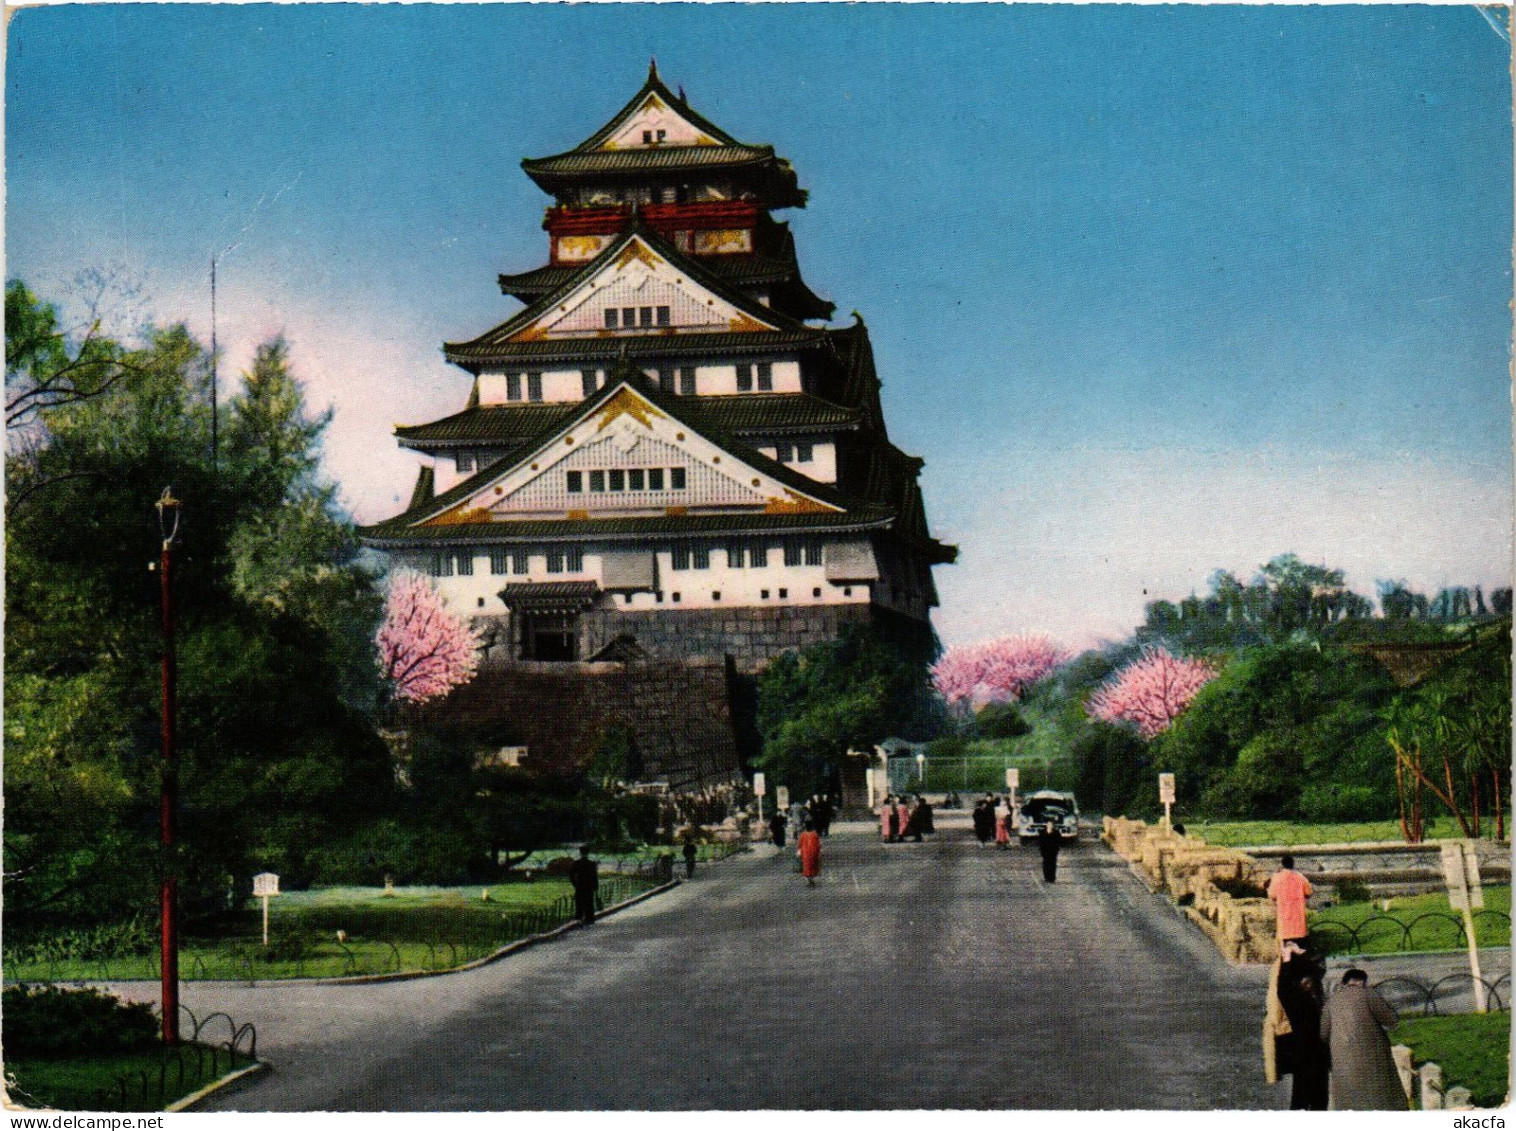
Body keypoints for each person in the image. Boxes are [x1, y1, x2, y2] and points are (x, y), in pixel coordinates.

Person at [1320, 969, 1406, 1110]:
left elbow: (1323, 1033)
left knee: (1349, 1101)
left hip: (1342, 1060)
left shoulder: (1331, 1001)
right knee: (1381, 1098)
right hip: (1372, 1056)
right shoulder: (1368, 994)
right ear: (1361, 981)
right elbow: (1392, 1020)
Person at [1266, 943, 1329, 1110]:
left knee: (1304, 1096)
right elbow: (1285, 987)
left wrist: (1290, 958)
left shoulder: (1296, 998)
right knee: (1313, 1098)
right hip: (1313, 1052)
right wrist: (1293, 956)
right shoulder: (1308, 1001)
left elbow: (1284, 986)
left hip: (1305, 1051)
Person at [1267, 855, 1313, 947]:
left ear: (1282, 865)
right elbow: (1309, 892)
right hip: (1298, 917)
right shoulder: (1300, 877)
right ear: (1293, 864)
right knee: (1299, 944)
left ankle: (1287, 959)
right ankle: (1300, 958)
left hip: (1284, 917)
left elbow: (1271, 895)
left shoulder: (1276, 878)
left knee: (1286, 945)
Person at [569, 844, 599, 925]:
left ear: (580, 852)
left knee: (579, 902)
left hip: (580, 885)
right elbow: (594, 876)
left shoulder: (576, 863)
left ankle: (579, 917)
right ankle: (589, 918)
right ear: (588, 853)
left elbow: (571, 875)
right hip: (589, 886)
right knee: (589, 902)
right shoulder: (592, 864)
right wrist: (596, 886)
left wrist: (575, 883)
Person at [797, 820, 822, 887]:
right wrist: (819, 853)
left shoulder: (802, 835)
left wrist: (799, 852)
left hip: (805, 853)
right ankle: (812, 878)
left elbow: (799, 844)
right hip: (814, 852)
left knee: (806, 866)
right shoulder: (815, 834)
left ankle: (808, 879)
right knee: (813, 865)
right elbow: (818, 845)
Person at [1036, 818, 1062, 882]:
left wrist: (1056, 849)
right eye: (1049, 824)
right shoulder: (1042, 832)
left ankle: (1052, 877)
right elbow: (1040, 842)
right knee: (1046, 864)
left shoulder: (1056, 833)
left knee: (1052, 864)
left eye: (1051, 825)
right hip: (1045, 851)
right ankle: (1046, 877)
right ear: (1047, 825)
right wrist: (1041, 850)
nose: (1050, 826)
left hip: (1053, 851)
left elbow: (1058, 842)